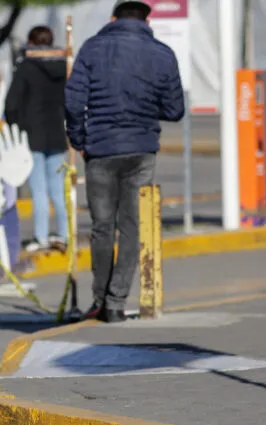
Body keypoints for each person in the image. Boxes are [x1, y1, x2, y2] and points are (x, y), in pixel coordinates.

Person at [64, 0, 184, 323]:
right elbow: (175, 110)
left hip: (99, 151)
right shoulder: (162, 53)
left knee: (102, 228)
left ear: (113, 18)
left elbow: (74, 101)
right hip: (142, 150)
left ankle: (99, 299)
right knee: (131, 227)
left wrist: (79, 140)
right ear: (148, 20)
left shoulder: (91, 48)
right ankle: (116, 303)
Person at [5, 25, 69, 253]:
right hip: (57, 135)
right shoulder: (64, 67)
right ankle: (64, 233)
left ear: (31, 43)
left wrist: (14, 125)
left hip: (32, 136)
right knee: (58, 188)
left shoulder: (26, 68)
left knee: (39, 189)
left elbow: (11, 104)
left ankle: (41, 236)